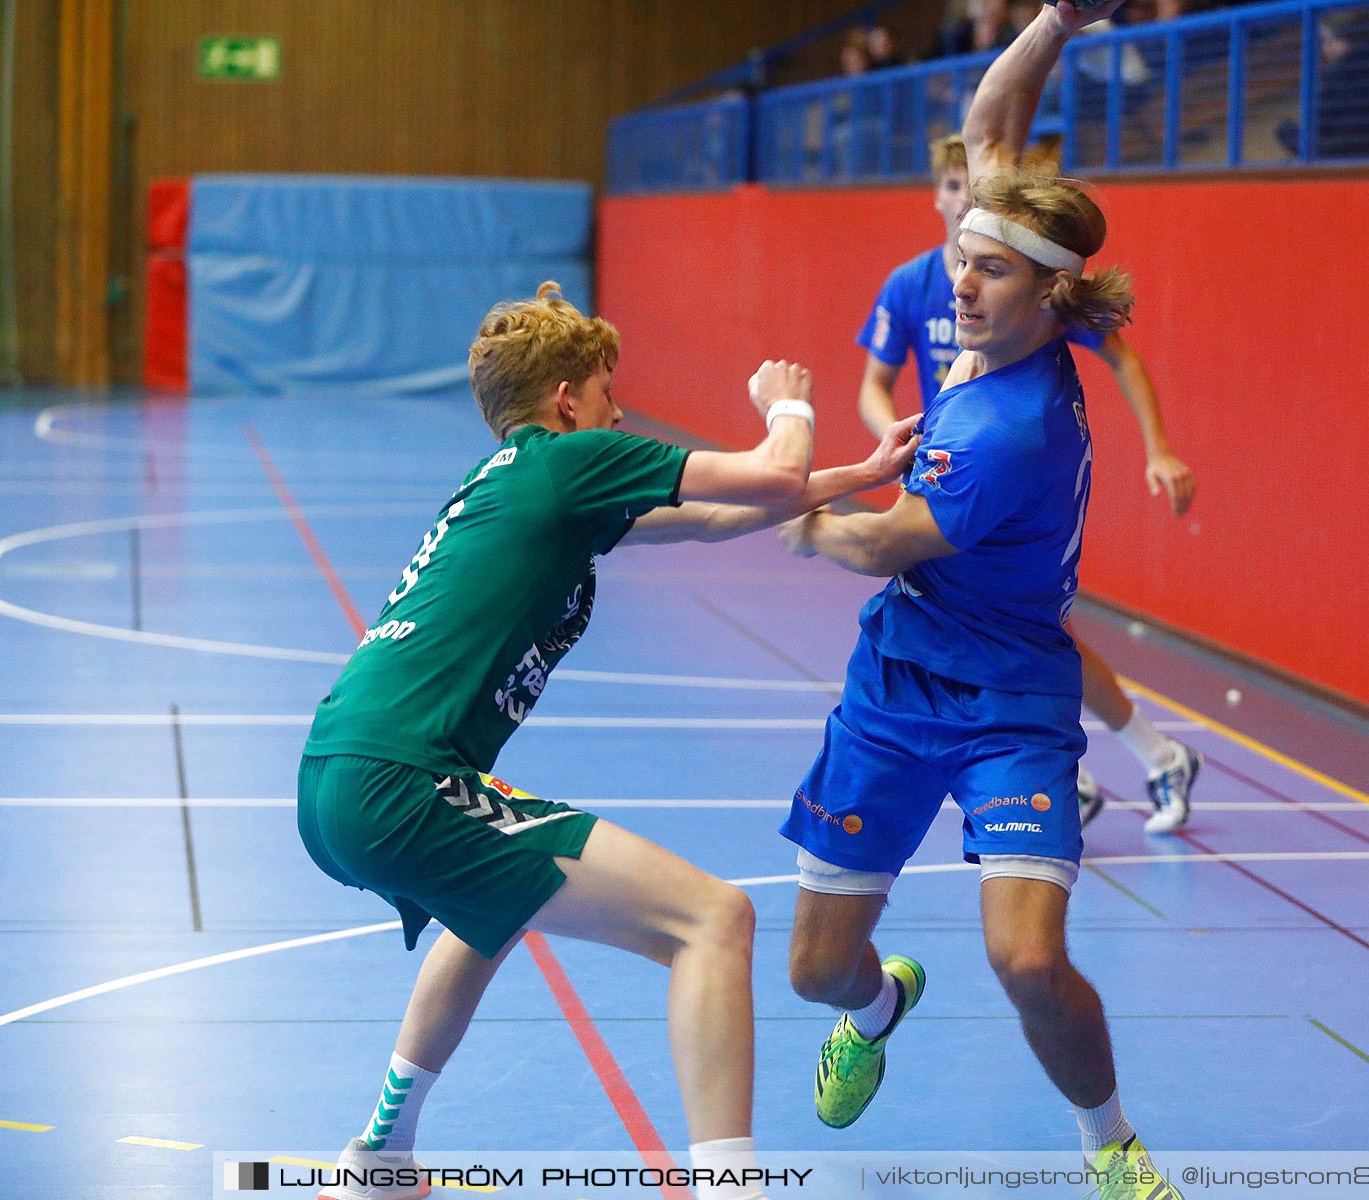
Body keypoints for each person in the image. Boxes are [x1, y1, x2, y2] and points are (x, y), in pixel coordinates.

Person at [297, 283, 920, 1200]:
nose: (618, 412)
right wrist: (789, 403)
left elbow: (712, 518)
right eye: (605, 392)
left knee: (488, 917)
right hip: (401, 783)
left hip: (336, 775)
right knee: (715, 921)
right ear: (564, 403)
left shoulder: (514, 480)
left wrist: (858, 475)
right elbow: (772, 476)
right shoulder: (567, 463)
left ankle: (381, 1158)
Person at [778, 5, 1185, 1198]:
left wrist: (772, 498)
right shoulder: (995, 300)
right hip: (893, 687)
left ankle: (1110, 1144)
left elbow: (881, 540)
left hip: (1008, 699)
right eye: (962, 254)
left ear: (1050, 297)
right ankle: (881, 1002)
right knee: (816, 975)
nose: (959, 281)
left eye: (987, 269)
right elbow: (990, 119)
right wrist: (1058, 19)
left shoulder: (1017, 426)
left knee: (1025, 959)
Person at [856, 130, 1201, 836]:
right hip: (944, 474)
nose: (959, 196)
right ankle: (1122, 763)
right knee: (1020, 639)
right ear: (937, 197)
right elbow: (872, 387)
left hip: (1001, 488)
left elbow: (1124, 359)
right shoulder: (915, 284)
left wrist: (1158, 448)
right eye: (949, 185)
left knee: (1032, 635)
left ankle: (1123, 762)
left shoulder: (1027, 287)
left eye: (968, 182)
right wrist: (899, 448)